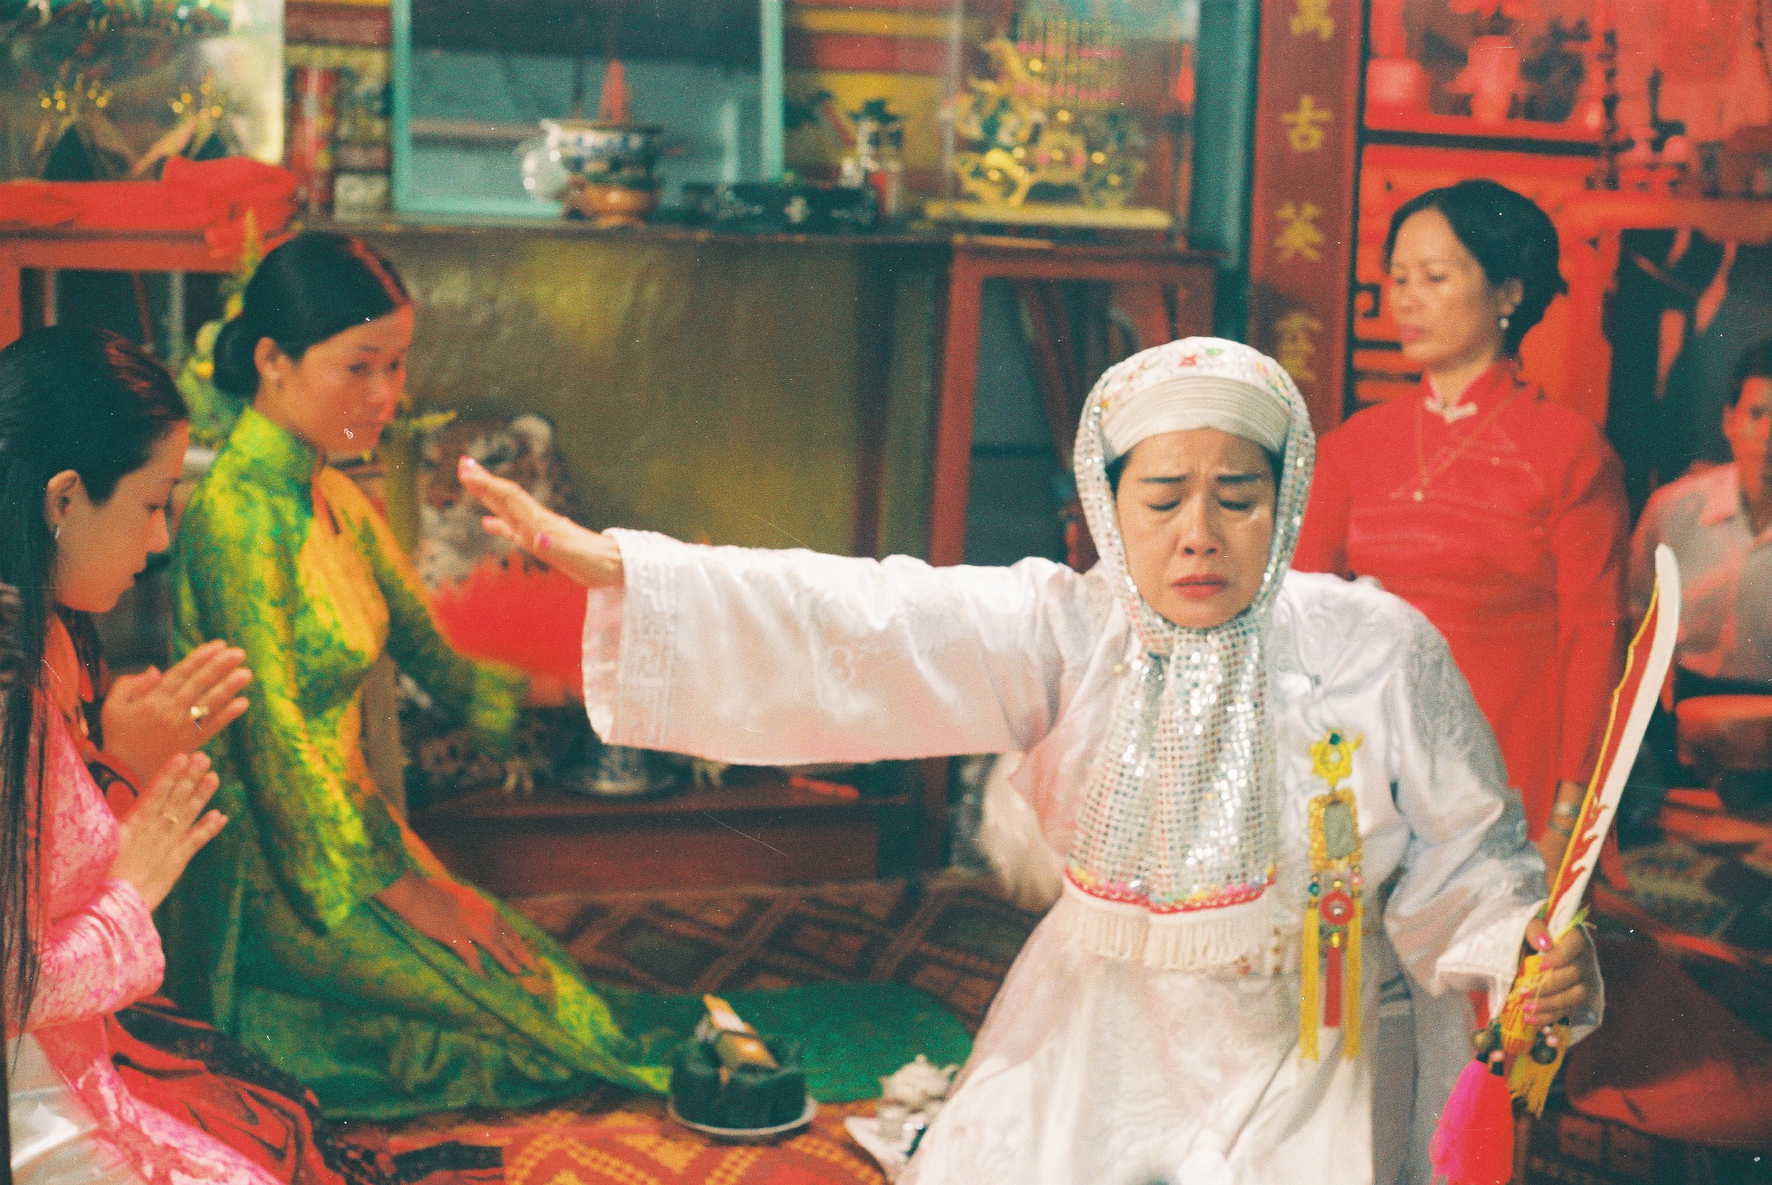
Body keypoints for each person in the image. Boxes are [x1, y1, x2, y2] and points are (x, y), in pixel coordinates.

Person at [463, 337, 1599, 1185]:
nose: (1198, 533)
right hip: (1106, 1032)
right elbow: (867, 617)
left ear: (1285, 498)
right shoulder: (1067, 629)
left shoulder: (1379, 647)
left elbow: (1472, 863)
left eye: (1238, 497)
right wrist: (630, 570)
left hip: (1312, 1043)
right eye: (1162, 498)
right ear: (1109, 507)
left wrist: (1518, 952)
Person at [158, 232, 670, 1120]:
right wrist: (416, 897)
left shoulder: (333, 495)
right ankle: (258, 1031)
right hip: (275, 876)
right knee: (529, 1044)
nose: (385, 394)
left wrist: (579, 672)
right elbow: (279, 756)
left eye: (395, 364)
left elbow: (439, 653)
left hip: (360, 838)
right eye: (358, 366)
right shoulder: (233, 520)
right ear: (273, 360)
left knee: (549, 990)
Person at [0, 325, 299, 1185]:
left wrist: (114, 765)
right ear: (64, 498)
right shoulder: (11, 681)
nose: (162, 539)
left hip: (67, 1058)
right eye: (150, 503)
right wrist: (134, 880)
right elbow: (17, 984)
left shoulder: (51, 626)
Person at [1295, 180, 1630, 881]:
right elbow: (1302, 618)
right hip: (1368, 763)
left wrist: (1570, 817)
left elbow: (1594, 638)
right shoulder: (1354, 445)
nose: (1406, 299)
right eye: (1398, 278)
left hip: (1511, 767)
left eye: (1435, 276)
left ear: (1509, 291)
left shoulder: (1568, 450)